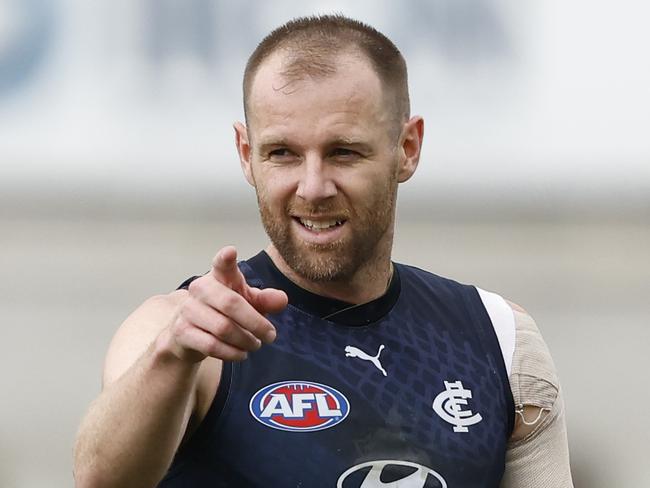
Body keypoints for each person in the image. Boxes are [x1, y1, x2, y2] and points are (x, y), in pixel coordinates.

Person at [73, 14, 573, 488]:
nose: (313, 187)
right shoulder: (183, 334)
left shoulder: (500, 339)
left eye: (343, 152)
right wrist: (172, 355)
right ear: (247, 155)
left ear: (408, 148)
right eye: (283, 153)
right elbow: (100, 479)